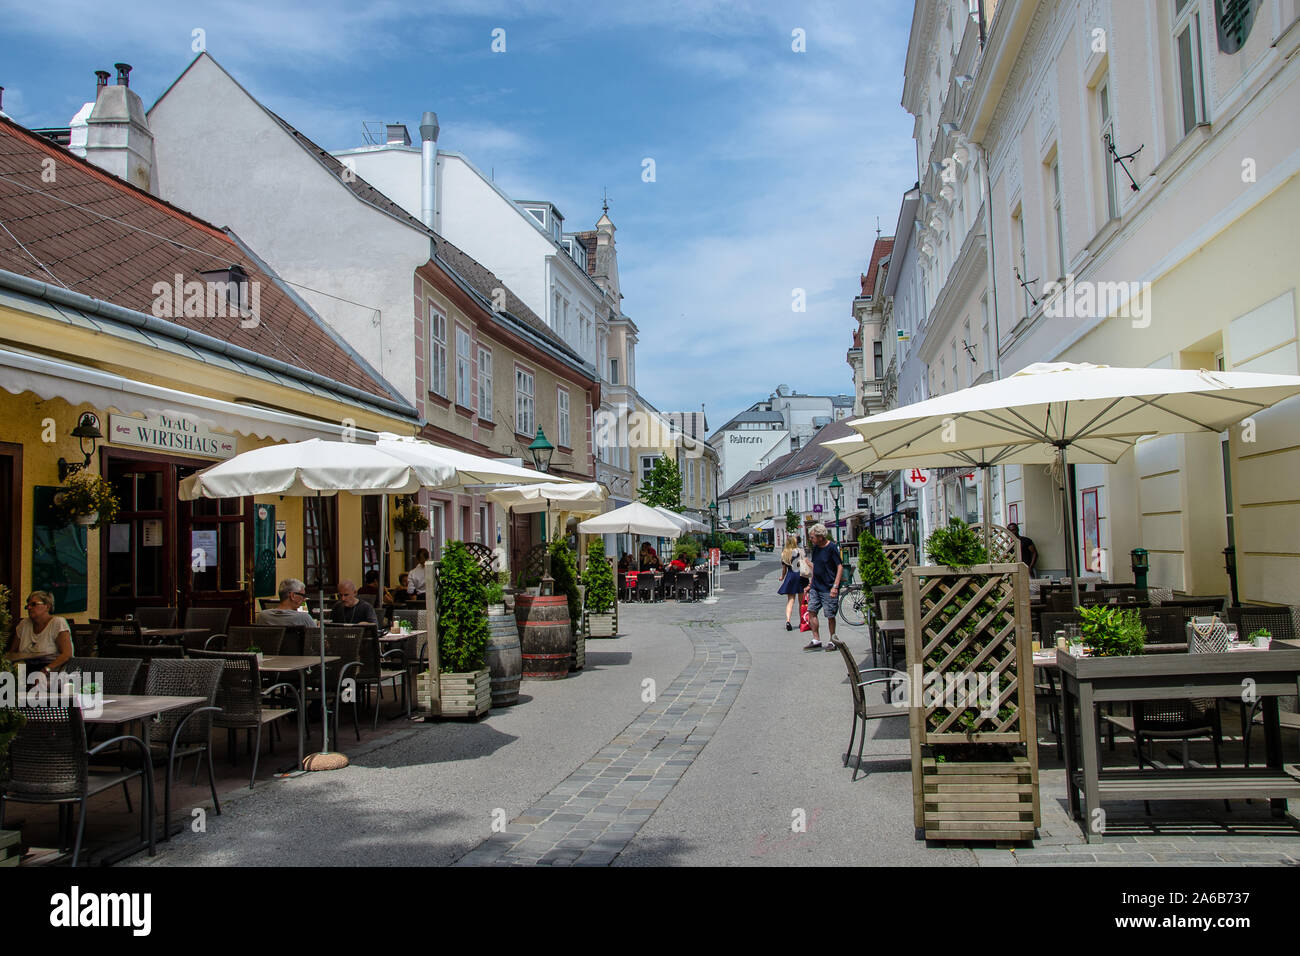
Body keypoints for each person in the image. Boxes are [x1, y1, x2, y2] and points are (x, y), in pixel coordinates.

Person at [9, 590, 72, 675]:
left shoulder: (58, 623)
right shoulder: (24, 624)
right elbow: (12, 653)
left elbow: (67, 654)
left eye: (34, 604)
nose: (29, 608)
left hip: (54, 670)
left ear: (47, 606)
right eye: (28, 605)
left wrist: (46, 670)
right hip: (28, 670)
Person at [803, 523, 843, 651]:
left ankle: (832, 640)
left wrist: (835, 586)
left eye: (812, 536)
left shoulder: (831, 548)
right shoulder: (815, 548)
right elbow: (816, 567)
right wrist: (810, 584)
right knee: (811, 610)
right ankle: (816, 639)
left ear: (820, 536)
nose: (811, 539)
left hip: (829, 586)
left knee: (830, 614)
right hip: (816, 586)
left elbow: (839, 566)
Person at [777, 534, 807, 631]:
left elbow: (784, 570)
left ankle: (788, 620)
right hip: (800, 576)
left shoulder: (784, 554)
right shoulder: (800, 551)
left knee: (790, 600)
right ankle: (801, 621)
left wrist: (782, 577)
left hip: (790, 576)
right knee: (801, 602)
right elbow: (804, 564)